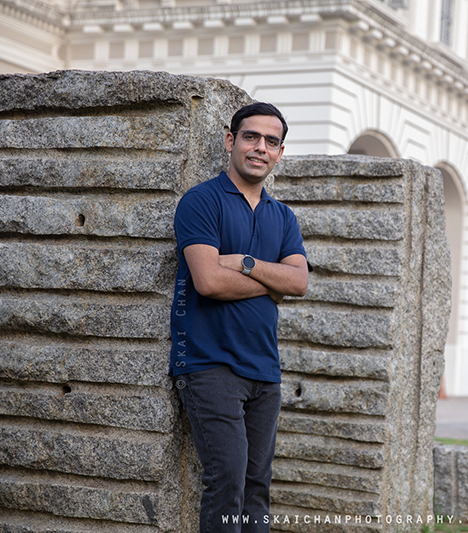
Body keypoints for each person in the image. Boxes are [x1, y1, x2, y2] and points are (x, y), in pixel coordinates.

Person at [169, 102, 308, 532]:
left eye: (271, 141)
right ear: (231, 141)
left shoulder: (282, 216)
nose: (260, 147)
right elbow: (208, 281)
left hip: (265, 370)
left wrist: (246, 263)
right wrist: (274, 280)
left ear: (280, 153)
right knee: (226, 481)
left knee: (256, 488)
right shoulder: (201, 201)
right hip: (210, 365)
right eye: (251, 137)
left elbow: (300, 283)